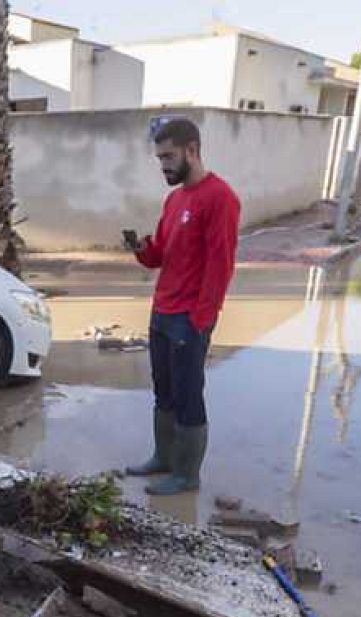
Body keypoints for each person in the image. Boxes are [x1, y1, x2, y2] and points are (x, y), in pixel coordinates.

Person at [124, 117, 240, 495]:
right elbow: (161, 254)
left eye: (169, 156)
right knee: (164, 391)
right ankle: (164, 457)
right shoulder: (174, 199)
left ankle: (187, 475)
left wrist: (201, 320)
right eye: (159, 158)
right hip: (162, 312)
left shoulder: (220, 198)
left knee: (189, 396)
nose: (164, 165)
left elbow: (220, 266)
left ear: (193, 150)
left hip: (189, 319)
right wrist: (142, 250)